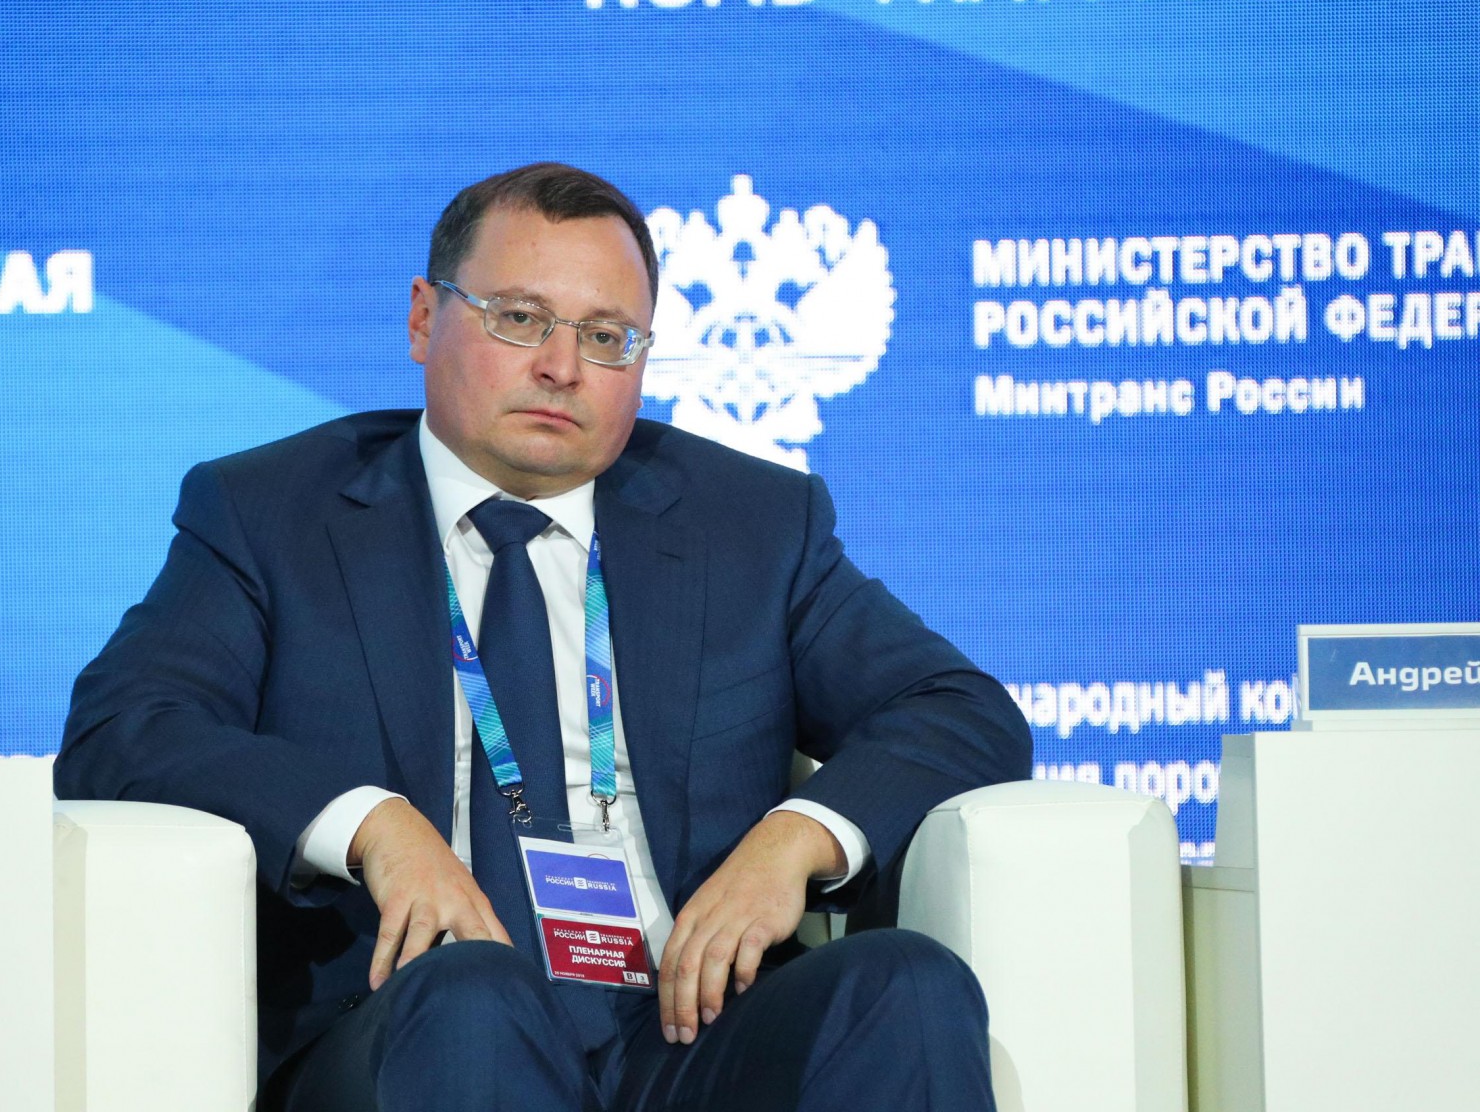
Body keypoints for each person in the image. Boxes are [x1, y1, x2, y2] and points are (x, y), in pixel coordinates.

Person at [54, 162, 1032, 1111]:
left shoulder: (750, 525)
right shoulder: (272, 515)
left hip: (689, 1027)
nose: (562, 369)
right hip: (413, 1021)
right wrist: (372, 825)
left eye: (607, 337)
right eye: (519, 319)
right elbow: (128, 727)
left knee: (908, 984)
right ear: (423, 318)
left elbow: (956, 710)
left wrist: (795, 838)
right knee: (473, 998)